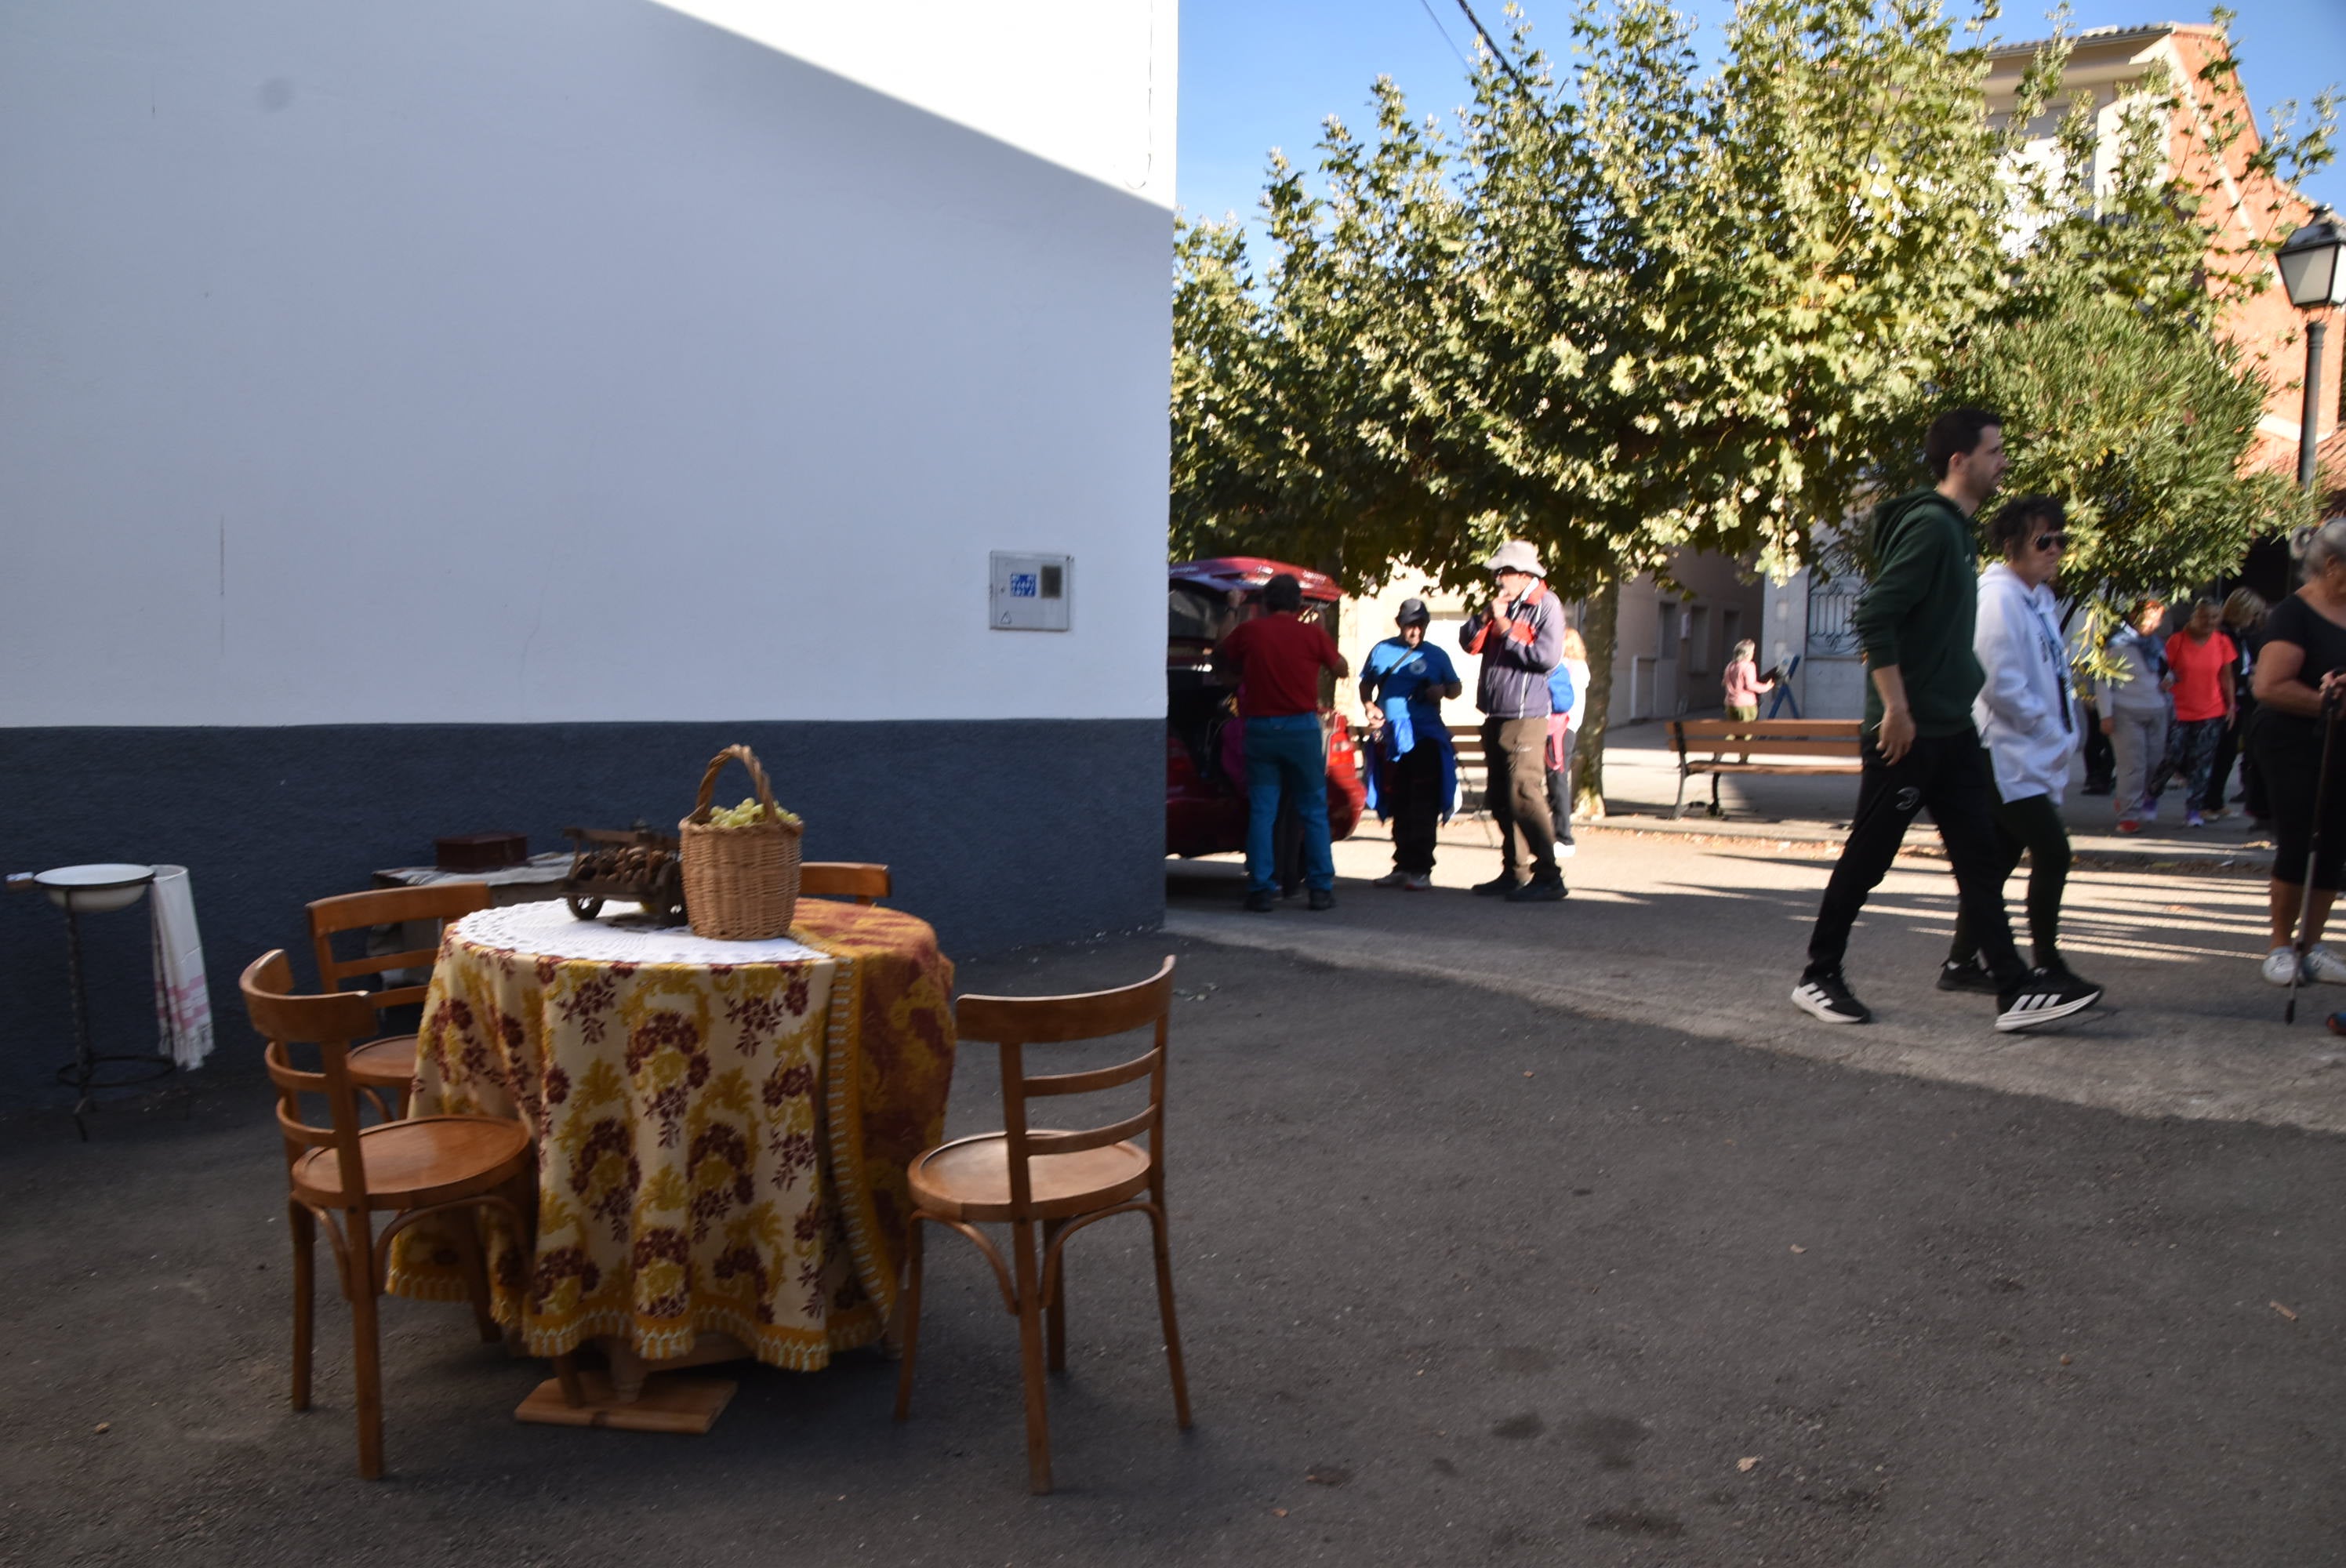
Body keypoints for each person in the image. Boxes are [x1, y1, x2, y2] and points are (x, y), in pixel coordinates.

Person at [1789, 408, 2101, 1032]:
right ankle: (1819, 975)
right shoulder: (1933, 529)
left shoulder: (1959, 531)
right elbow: (1876, 616)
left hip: (1953, 726)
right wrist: (1897, 709)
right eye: (1995, 452)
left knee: (1980, 860)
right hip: (1910, 731)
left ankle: (2013, 989)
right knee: (1869, 858)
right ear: (1961, 461)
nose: (2003, 462)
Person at [1938, 496, 2097, 996]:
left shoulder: (2039, 599)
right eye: (2043, 541)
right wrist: (2050, 729)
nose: (2055, 550)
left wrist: (2067, 731)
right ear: (2011, 545)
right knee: (2054, 852)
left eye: (2060, 540)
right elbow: (1998, 681)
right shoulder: (1998, 598)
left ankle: (1960, 964)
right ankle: (2047, 964)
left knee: (1998, 863)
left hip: (2030, 753)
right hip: (2002, 753)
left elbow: (2053, 672)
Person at [1214, 572, 1349, 913]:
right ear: (1299, 604)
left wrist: (1231, 611)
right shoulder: (1311, 635)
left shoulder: (1250, 632)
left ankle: (1261, 889)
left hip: (1259, 730)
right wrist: (1319, 631)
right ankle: (1320, 889)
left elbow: (1220, 654)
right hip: (1301, 730)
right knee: (1314, 811)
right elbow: (1342, 669)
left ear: (1266, 603)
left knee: (1263, 812)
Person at [2248, 520, 2346, 986]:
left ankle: (2312, 944)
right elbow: (2269, 686)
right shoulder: (2293, 613)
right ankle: (2280, 945)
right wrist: (2325, 701)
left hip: (2342, 739)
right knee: (2298, 836)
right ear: (2332, 566)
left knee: (2334, 844)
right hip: (2293, 739)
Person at [1461, 540, 1567, 902]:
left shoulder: (1546, 605)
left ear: (1524, 574)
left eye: (1503, 572)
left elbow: (1546, 657)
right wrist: (1487, 617)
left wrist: (1506, 628)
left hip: (1527, 716)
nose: (1497, 578)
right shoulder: (1503, 604)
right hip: (1497, 712)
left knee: (1524, 792)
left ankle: (1549, 874)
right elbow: (1467, 642)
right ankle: (1514, 870)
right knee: (1501, 797)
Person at [1360, 598, 1462, 891]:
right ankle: (1402, 865)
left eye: (1420, 626)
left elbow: (1455, 688)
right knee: (1399, 800)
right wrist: (1369, 706)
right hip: (1392, 737)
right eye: (1410, 626)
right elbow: (1366, 684)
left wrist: (1441, 691)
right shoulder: (1382, 650)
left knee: (1423, 803)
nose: (1415, 632)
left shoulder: (1438, 655)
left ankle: (1421, 868)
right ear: (1399, 624)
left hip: (1426, 737)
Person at [2147, 598, 2236, 829]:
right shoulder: (2177, 641)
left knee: (2202, 763)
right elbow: (2164, 672)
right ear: (2194, 616)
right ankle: (2152, 796)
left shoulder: (2222, 642)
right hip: (2180, 710)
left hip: (2211, 710)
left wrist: (2231, 705)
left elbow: (2226, 677)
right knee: (2172, 758)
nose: (2209, 621)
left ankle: (2194, 809)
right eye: (2204, 616)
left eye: (2215, 617)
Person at [2097, 598, 2172, 835]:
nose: (2152, 624)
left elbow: (2164, 669)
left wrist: (2168, 679)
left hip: (2156, 708)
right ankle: (2129, 815)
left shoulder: (2156, 644)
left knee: (2153, 761)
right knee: (2133, 765)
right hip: (2126, 711)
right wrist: (2105, 714)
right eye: (2148, 618)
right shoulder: (2116, 644)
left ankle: (2131, 801)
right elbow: (2103, 680)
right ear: (2134, 616)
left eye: (2156, 619)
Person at [2204, 588, 2268, 822]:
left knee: (2228, 753)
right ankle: (2206, 801)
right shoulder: (2223, 636)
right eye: (2253, 614)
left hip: (2239, 700)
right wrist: (2249, 678)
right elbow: (2223, 673)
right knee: (2218, 752)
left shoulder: (2239, 636)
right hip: (2222, 701)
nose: (2254, 620)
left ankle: (2215, 801)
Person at [1544, 621, 1592, 858]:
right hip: (1564, 728)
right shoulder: (1578, 668)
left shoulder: (1571, 668)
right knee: (1556, 780)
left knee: (1557, 780)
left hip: (1561, 728)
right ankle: (1558, 833)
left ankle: (1564, 836)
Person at [1723, 640, 1775, 720]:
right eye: (1752, 651)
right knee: (1746, 731)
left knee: (1735, 731)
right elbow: (1750, 685)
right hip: (1745, 705)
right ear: (1747, 653)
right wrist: (1766, 687)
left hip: (1730, 704)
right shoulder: (1749, 666)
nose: (1753, 653)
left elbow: (1724, 682)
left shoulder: (1730, 666)